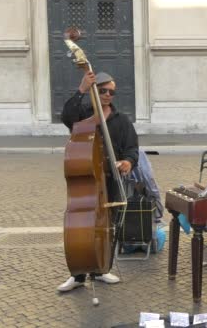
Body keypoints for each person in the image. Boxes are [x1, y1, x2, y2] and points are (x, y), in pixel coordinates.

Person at [57, 71, 139, 292]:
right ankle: (77, 273)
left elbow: (132, 149)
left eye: (111, 92)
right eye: (103, 90)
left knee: (105, 227)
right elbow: (65, 117)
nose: (107, 95)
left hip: (109, 182)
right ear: (95, 91)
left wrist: (128, 162)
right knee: (81, 227)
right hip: (86, 182)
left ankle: (101, 269)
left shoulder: (121, 120)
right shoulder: (82, 116)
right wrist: (81, 89)